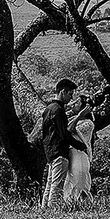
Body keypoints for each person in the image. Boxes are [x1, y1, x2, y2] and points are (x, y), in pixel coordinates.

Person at [39, 78, 88, 209]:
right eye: (70, 94)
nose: (71, 98)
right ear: (63, 91)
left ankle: (44, 210)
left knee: (49, 185)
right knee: (56, 186)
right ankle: (54, 212)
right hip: (59, 151)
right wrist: (80, 146)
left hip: (50, 151)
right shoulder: (59, 110)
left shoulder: (48, 108)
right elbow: (64, 134)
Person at [62, 101, 96, 205]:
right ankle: (70, 202)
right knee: (71, 178)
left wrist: (80, 115)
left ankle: (82, 202)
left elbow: (69, 129)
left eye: (77, 103)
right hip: (72, 153)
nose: (73, 104)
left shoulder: (88, 123)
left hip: (80, 154)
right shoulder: (74, 119)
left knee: (79, 178)